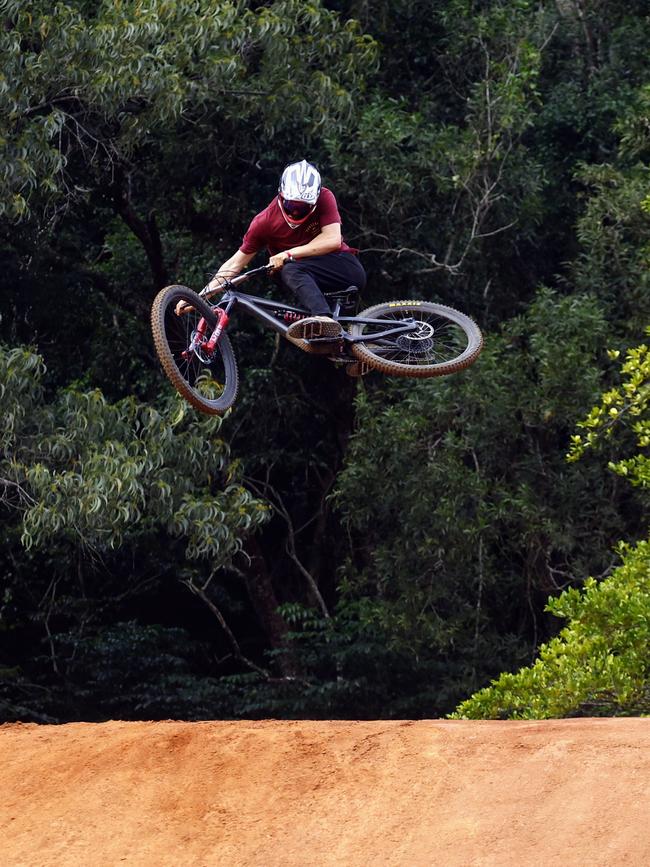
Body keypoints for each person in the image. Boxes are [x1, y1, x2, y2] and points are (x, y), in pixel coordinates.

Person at [179, 160, 366, 343]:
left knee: (290, 268)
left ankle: (323, 318)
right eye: (291, 206)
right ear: (281, 196)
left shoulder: (325, 197)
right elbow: (235, 264)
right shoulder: (264, 222)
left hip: (343, 267)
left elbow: (332, 239)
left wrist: (287, 254)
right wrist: (199, 297)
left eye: (303, 208)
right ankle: (352, 351)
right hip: (308, 281)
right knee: (295, 318)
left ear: (315, 200)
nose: (295, 213)